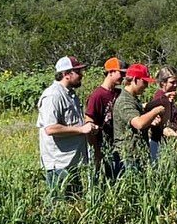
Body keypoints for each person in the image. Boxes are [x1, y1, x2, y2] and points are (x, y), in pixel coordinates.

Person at [37, 56, 97, 196]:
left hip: (72, 160)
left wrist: (88, 126)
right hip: (59, 162)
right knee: (59, 203)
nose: (81, 75)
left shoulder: (70, 94)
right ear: (66, 74)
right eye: (77, 72)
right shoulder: (53, 96)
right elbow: (50, 128)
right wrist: (81, 129)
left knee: (74, 200)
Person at [112, 63, 165, 174]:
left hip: (137, 154)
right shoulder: (125, 101)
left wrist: (150, 122)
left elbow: (139, 122)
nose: (146, 86)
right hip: (127, 156)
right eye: (144, 82)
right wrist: (156, 111)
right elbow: (139, 123)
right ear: (135, 79)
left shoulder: (133, 99)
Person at [85, 57, 127, 178]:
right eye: (121, 73)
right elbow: (89, 121)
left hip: (117, 145)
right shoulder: (97, 95)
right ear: (111, 72)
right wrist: (96, 150)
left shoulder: (119, 93)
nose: (123, 76)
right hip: (103, 145)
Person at [146, 66, 177, 163]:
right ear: (163, 83)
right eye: (172, 82)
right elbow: (162, 127)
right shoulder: (160, 98)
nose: (175, 85)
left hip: (167, 143)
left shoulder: (168, 97)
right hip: (159, 144)